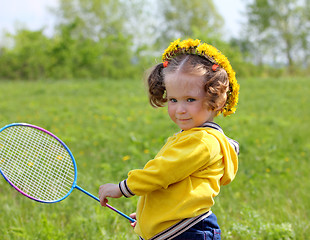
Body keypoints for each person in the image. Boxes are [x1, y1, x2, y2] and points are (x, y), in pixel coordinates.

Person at [98, 38, 240, 240]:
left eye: (190, 99)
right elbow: (179, 189)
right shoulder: (192, 137)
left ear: (216, 100)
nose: (180, 109)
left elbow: (162, 173)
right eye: (173, 99)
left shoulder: (202, 142)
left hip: (188, 232)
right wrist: (154, 217)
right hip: (178, 228)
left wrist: (122, 188)